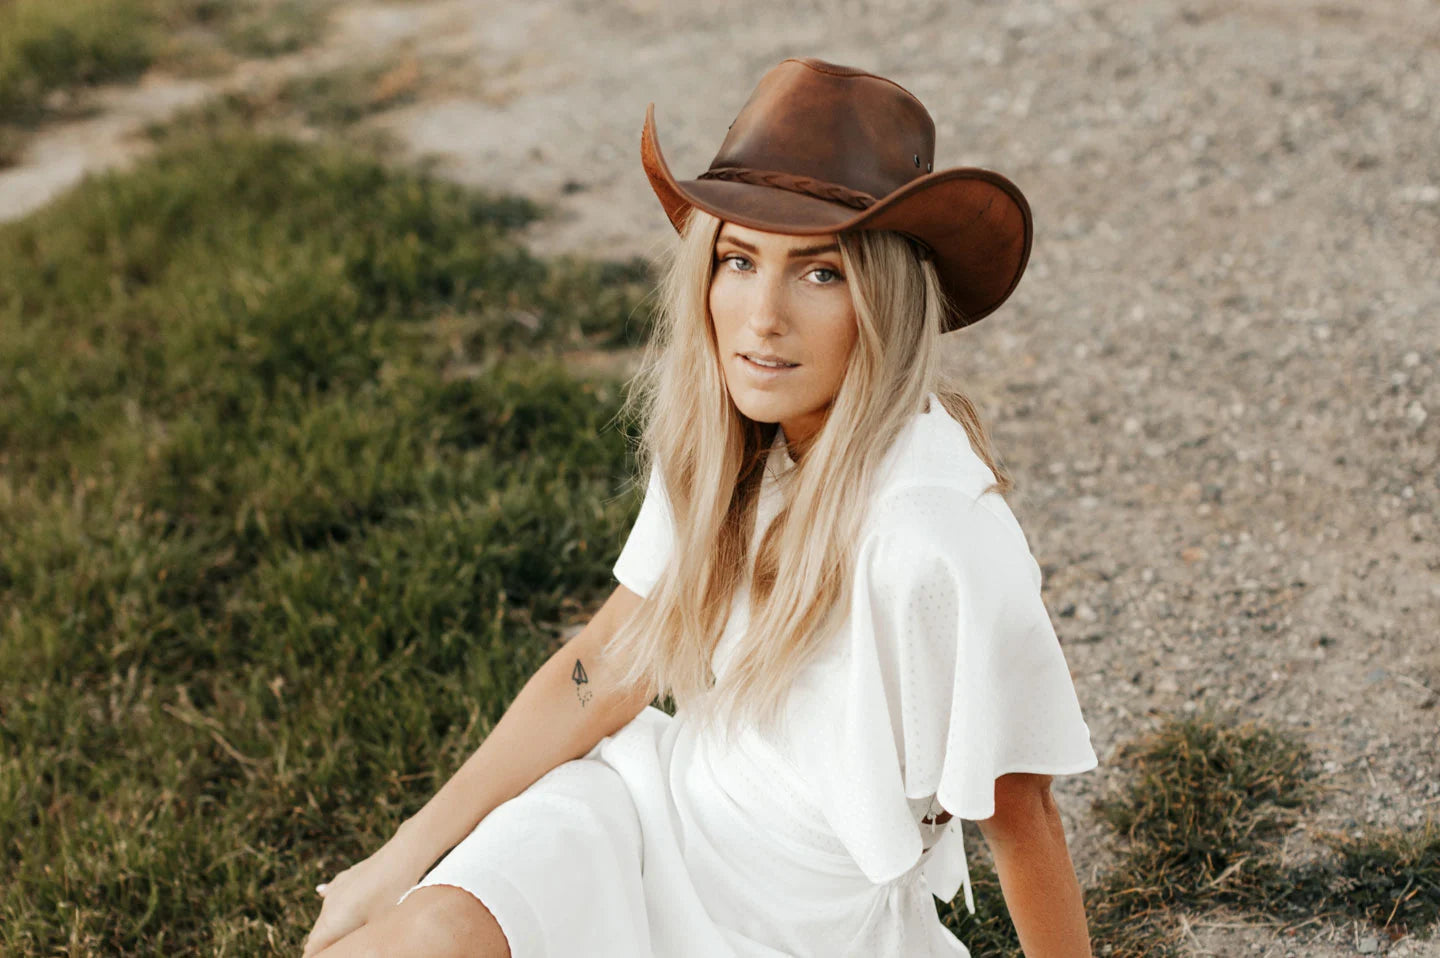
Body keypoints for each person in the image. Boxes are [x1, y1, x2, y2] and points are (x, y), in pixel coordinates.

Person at [302, 56, 1099, 958]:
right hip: (645, 816)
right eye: (738, 260)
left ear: (887, 298)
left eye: (821, 273)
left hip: (808, 928)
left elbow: (1021, 813)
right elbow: (603, 667)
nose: (762, 317)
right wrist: (397, 860)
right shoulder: (731, 448)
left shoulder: (933, 531)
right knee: (413, 939)